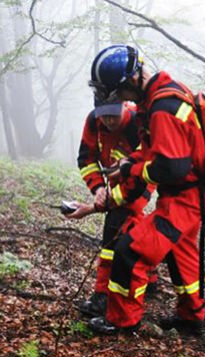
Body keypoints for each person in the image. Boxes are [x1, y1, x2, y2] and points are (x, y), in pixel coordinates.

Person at [86, 44, 205, 335]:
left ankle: (121, 320)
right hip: (189, 196)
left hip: (184, 201)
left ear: (131, 80)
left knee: (130, 250)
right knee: (180, 253)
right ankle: (191, 317)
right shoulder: (162, 94)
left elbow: (171, 167)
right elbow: (159, 149)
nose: (118, 100)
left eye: (118, 93)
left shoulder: (162, 108)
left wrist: (132, 169)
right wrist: (132, 160)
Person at [65, 98, 156, 318]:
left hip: (141, 181)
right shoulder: (93, 122)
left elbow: (134, 185)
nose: (109, 120)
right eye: (104, 115)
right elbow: (86, 159)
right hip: (116, 181)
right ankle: (150, 279)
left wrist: (97, 206)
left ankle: (103, 296)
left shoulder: (137, 125)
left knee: (115, 229)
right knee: (130, 228)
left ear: (125, 107)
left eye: (114, 115)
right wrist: (97, 189)